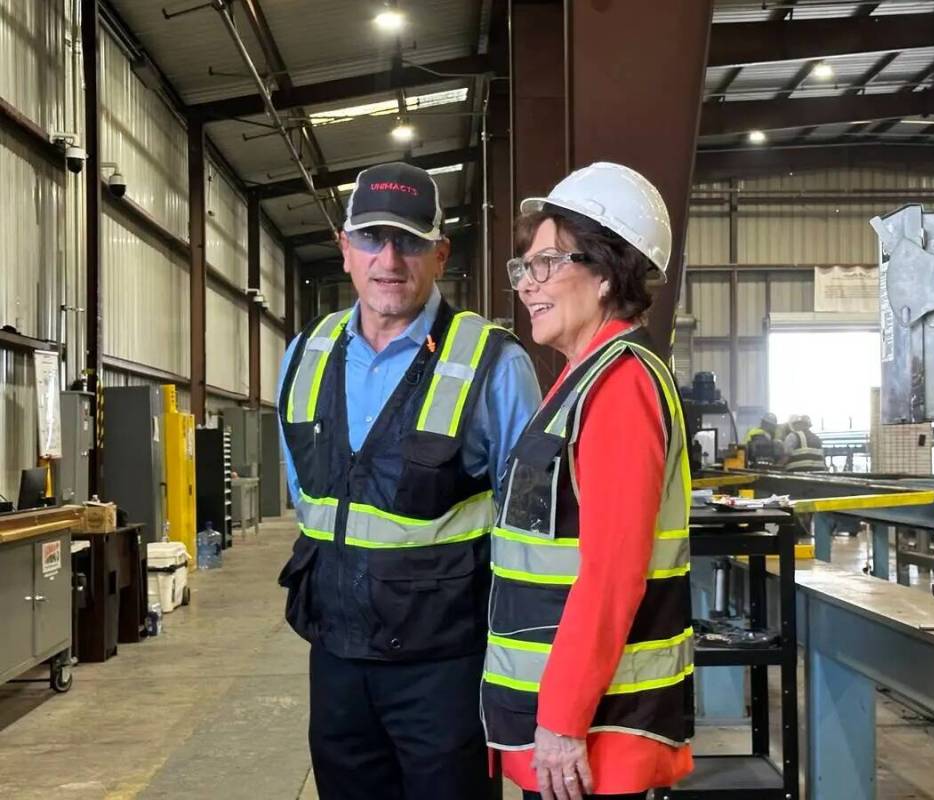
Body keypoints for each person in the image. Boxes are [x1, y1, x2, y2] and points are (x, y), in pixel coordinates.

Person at [275, 162, 541, 800]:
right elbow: (309, 499)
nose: (389, 259)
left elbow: (533, 534)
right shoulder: (304, 354)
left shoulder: (494, 365)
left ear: (440, 253)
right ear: (345, 250)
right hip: (336, 662)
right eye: (371, 237)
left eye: (411, 241)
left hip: (445, 670)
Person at [481, 162, 694, 800]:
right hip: (577, 727)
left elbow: (611, 574)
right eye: (525, 267)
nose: (527, 284)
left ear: (604, 272)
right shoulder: (583, 380)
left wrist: (562, 718)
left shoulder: (620, 386)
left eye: (547, 264)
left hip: (597, 733)